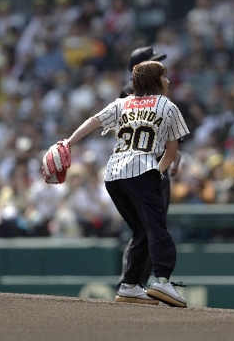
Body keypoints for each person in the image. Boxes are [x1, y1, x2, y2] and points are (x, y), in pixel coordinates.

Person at [65, 60, 190, 308]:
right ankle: (163, 280)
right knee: (157, 228)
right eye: (163, 77)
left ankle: (130, 285)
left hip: (113, 175)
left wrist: (68, 142)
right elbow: (171, 151)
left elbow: (93, 121)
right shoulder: (167, 105)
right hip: (142, 170)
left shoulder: (123, 103)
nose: (167, 81)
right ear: (155, 80)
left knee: (141, 231)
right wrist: (158, 172)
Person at [116, 46, 182, 291]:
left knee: (151, 229)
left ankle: (136, 284)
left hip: (153, 167)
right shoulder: (130, 93)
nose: (160, 68)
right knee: (146, 229)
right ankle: (132, 283)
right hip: (142, 169)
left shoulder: (152, 92)